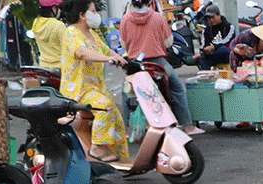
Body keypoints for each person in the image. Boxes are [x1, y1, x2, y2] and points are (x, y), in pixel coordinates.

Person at [120, 0, 204, 134]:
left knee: (126, 92)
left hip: (135, 65)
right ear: (149, 2)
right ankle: (188, 126)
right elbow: (169, 42)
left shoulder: (125, 19)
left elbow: (123, 45)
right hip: (158, 63)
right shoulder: (157, 17)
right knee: (177, 89)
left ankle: (126, 128)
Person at [61, 0, 129, 162]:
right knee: (105, 107)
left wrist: (121, 59)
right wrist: (107, 60)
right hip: (79, 90)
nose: (97, 15)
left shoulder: (92, 34)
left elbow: (107, 50)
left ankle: (120, 158)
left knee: (116, 116)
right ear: (82, 15)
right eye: (94, 11)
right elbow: (82, 53)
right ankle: (97, 147)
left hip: (95, 88)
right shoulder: (72, 33)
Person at [193, 3, 234, 69]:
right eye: (209, 18)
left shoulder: (229, 27)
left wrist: (213, 47)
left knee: (223, 49)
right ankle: (206, 76)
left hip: (226, 54)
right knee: (202, 58)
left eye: (212, 17)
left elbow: (226, 41)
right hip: (213, 55)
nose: (211, 20)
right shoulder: (206, 30)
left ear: (219, 15)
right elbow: (204, 45)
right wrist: (203, 51)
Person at [32, 0, 67, 71]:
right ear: (53, 8)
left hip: (43, 66)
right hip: (60, 67)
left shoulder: (36, 22)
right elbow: (67, 48)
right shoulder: (58, 25)